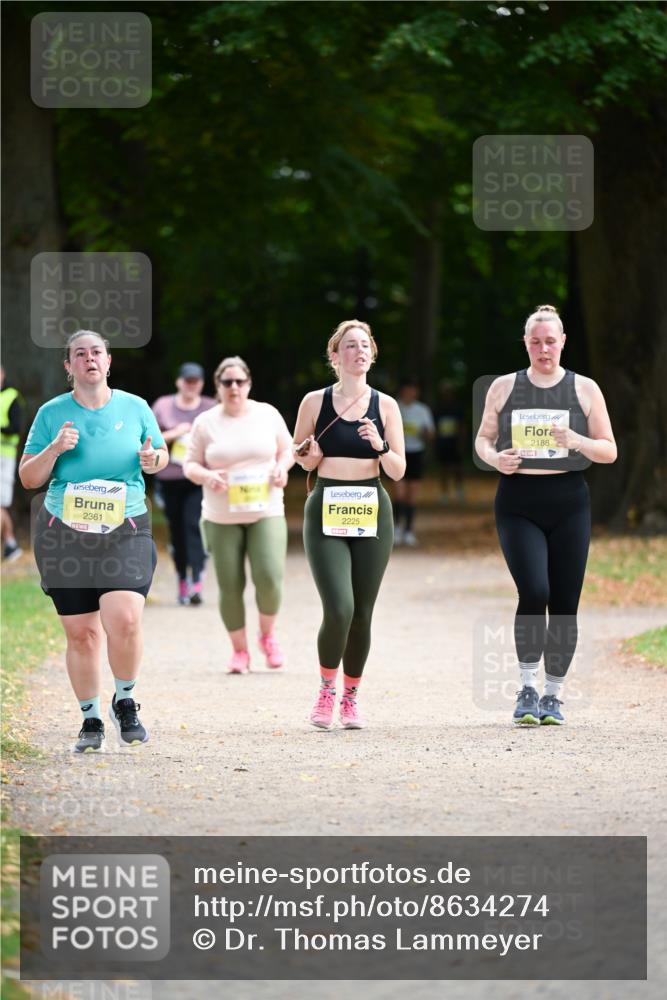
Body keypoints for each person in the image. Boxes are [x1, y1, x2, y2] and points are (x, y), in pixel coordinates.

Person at [19, 330, 168, 753]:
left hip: (126, 527)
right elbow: (29, 478)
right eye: (79, 354)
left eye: (96, 352)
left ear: (108, 361)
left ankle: (125, 700)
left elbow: (160, 456)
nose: (89, 359)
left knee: (124, 618)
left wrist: (154, 459)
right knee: (82, 633)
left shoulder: (135, 407)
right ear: (68, 366)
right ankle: (90, 718)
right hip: (64, 532)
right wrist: (54, 449)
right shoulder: (52, 413)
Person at [475, 305, 617, 726]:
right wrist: (494, 458)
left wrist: (577, 439)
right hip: (518, 502)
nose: (543, 349)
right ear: (525, 343)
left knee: (566, 603)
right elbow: (482, 441)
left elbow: (609, 451)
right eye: (535, 341)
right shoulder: (503, 387)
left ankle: (553, 694)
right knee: (534, 590)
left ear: (562, 342)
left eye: (550, 341)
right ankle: (527, 687)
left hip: (570, 501)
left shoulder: (585, 389)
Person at [293, 319, 406, 730]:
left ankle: (351, 698)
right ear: (335, 356)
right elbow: (300, 456)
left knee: (362, 612)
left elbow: (397, 471)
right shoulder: (314, 401)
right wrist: (309, 452)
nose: (359, 352)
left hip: (371, 505)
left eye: (364, 346)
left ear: (372, 355)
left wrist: (380, 445)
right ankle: (326, 690)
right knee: (339, 607)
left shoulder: (386, 405)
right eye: (350, 346)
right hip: (326, 503)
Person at [183, 356, 294, 673]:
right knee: (230, 585)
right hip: (221, 514)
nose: (234, 387)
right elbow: (190, 464)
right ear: (218, 386)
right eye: (227, 382)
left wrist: (281, 469)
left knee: (270, 578)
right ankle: (239, 651)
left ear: (249, 384)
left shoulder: (267, 414)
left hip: (266, 509)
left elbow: (288, 451)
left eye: (239, 381)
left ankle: (267, 636)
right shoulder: (206, 422)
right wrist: (207, 476)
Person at [152, 363, 216, 605]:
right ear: (179, 382)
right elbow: (147, 438)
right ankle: (181, 578)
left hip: (198, 478)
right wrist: (175, 433)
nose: (192, 385)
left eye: (196, 381)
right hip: (169, 478)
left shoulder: (211, 407)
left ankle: (197, 581)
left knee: (193, 526)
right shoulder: (163, 405)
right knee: (177, 530)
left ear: (201, 383)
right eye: (187, 381)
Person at [393, 377, 434, 546]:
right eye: (408, 389)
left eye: (414, 389)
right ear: (402, 390)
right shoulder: (394, 406)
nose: (411, 392)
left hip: (416, 454)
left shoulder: (422, 410)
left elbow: (431, 434)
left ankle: (409, 530)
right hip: (397, 453)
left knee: (412, 496)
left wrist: (423, 433)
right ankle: (396, 528)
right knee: (399, 493)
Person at [1, 366, 24, 561]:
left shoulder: (11, 396)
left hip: (4, 458)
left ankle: (10, 544)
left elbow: (16, 428)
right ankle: (10, 544)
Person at [434, 380, 466, 505]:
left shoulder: (457, 407)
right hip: (442, 442)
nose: (447, 394)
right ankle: (444, 494)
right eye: (444, 391)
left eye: (449, 391)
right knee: (444, 469)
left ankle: (459, 491)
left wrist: (461, 442)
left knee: (458, 469)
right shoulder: (438, 408)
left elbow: (462, 426)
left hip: (455, 441)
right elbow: (434, 427)